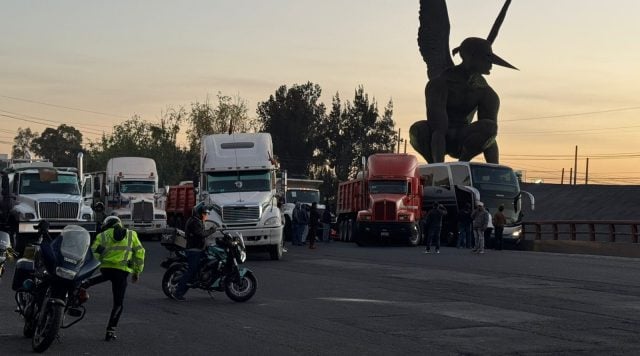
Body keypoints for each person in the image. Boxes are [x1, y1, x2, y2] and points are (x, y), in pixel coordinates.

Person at [85, 216, 145, 341]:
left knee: (88, 282)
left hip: (106, 269)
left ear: (107, 225)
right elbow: (140, 253)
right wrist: (136, 271)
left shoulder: (103, 235)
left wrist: (99, 261)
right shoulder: (131, 235)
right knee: (118, 304)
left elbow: (94, 250)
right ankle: (110, 332)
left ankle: (78, 291)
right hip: (122, 273)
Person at [174, 202, 214, 301]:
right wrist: (211, 230)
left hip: (198, 249)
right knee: (191, 271)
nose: (206, 215)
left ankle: (206, 281)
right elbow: (201, 234)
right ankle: (178, 293)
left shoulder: (196, 220)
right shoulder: (194, 222)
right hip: (194, 250)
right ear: (199, 213)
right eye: (204, 213)